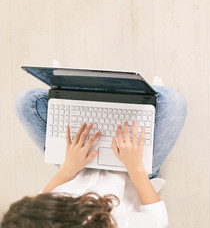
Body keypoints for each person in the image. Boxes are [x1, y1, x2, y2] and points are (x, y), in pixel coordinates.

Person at [1, 83, 187, 228]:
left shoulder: (39, 219)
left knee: (26, 103)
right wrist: (135, 167)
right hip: (133, 173)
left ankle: (100, 105)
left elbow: (44, 195)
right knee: (173, 102)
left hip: (77, 167)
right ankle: (125, 104)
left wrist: (67, 169)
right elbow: (157, 220)